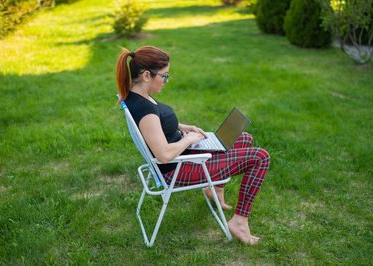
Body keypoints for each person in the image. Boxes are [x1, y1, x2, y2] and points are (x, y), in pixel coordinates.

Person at [116, 46, 270, 245]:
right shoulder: (145, 111)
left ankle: (215, 188)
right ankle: (239, 222)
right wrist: (187, 139)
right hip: (178, 169)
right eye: (164, 76)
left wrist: (182, 127)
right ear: (146, 75)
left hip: (184, 155)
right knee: (260, 157)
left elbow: (157, 125)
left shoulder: (136, 95)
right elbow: (163, 154)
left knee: (244, 138)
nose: (166, 80)